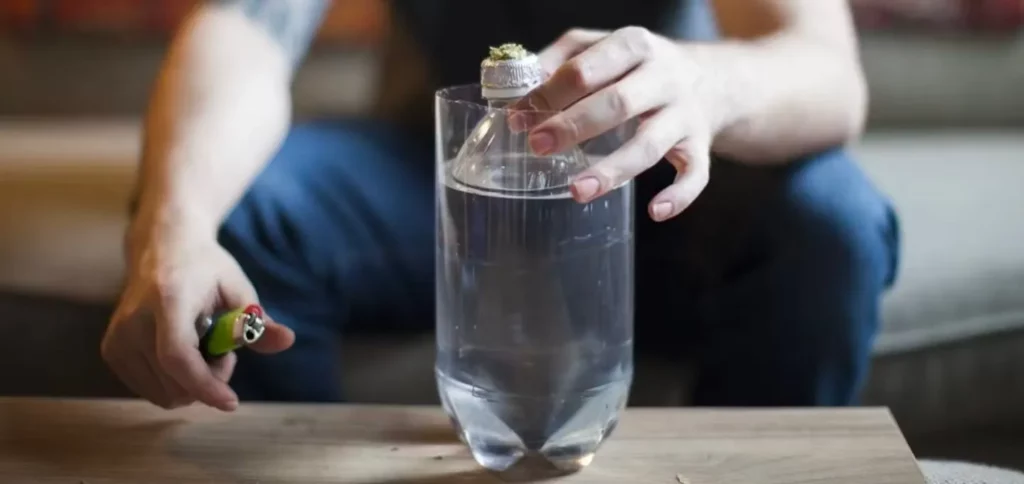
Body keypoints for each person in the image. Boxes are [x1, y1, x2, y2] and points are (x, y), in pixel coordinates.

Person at [101, 0, 900, 412]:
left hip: (657, 172)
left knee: (832, 233)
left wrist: (706, 82)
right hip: (445, 175)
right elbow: (243, 28)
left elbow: (829, 74)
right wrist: (172, 230)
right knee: (242, 220)